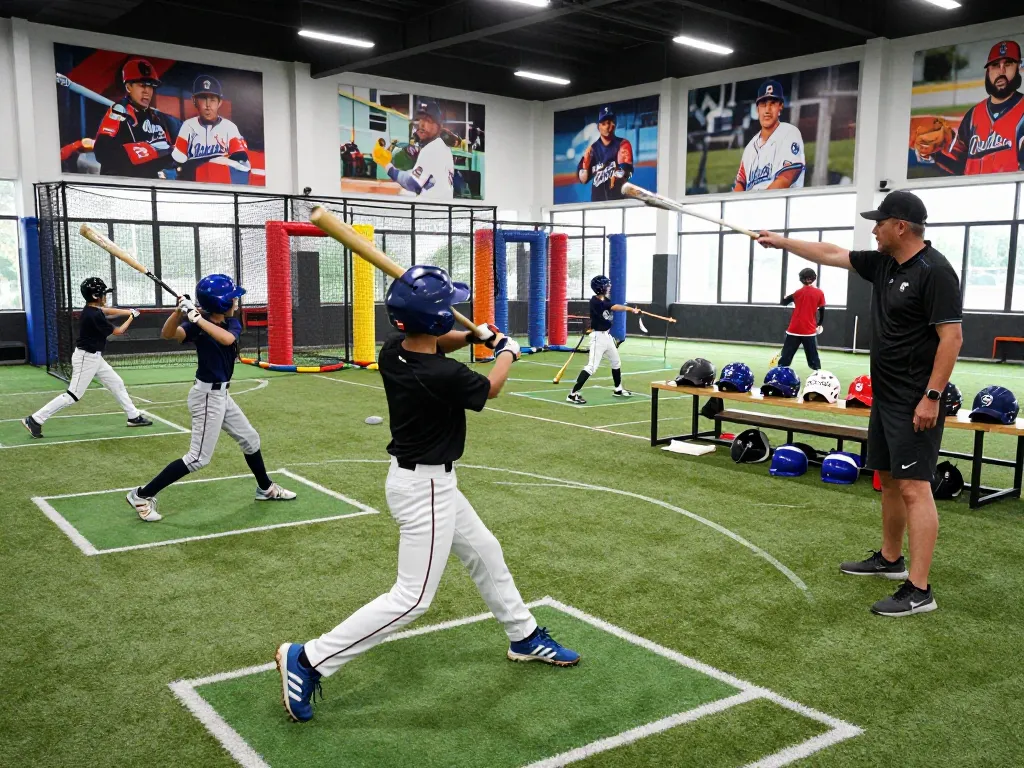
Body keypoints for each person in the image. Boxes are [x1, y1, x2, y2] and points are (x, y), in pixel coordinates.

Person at [276, 265, 579, 723]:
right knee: (412, 598)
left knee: (485, 551)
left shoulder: (394, 350)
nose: (453, 316)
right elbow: (491, 388)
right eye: (448, 311)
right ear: (435, 319)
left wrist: (475, 336)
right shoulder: (442, 374)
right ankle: (309, 658)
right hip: (426, 489)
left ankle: (523, 635)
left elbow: (438, 342)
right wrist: (506, 351)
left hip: (424, 482)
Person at [757, 190, 963, 617]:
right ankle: (890, 559)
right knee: (888, 477)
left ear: (900, 226)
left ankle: (920, 589)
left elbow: (952, 338)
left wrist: (931, 397)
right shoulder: (885, 263)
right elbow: (831, 252)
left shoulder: (936, 272)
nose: (874, 231)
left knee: (914, 487)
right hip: (885, 395)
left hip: (915, 398)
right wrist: (781, 241)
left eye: (879, 223)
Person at [125, 274, 295, 522]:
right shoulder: (197, 325)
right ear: (221, 303)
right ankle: (142, 495)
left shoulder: (230, 324)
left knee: (250, 439)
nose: (236, 302)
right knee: (198, 458)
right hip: (206, 397)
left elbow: (227, 339)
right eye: (232, 299)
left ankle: (265, 488)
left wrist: (197, 319)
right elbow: (168, 334)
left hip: (222, 395)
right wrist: (179, 312)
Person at [23, 277, 151, 438]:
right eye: (103, 294)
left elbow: (106, 310)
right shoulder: (94, 316)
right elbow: (118, 331)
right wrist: (132, 317)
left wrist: (128, 311)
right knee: (73, 395)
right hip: (86, 359)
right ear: (96, 296)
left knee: (116, 382)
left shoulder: (91, 309)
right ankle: (35, 419)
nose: (105, 296)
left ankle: (133, 416)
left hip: (94, 358)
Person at [916, 41, 1024, 175]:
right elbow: (961, 166)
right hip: (974, 188)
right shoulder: (973, 115)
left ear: (1018, 67)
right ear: (988, 71)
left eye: (1008, 64)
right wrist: (935, 155)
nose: (1001, 71)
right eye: (995, 65)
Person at [93, 58, 179, 178]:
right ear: (129, 87)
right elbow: (102, 151)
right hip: (126, 184)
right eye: (142, 85)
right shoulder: (119, 111)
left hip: (155, 185)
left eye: (150, 86)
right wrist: (150, 150)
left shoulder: (158, 118)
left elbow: (176, 152)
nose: (147, 92)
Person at [566, 275, 641, 405]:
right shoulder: (595, 302)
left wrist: (631, 309)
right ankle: (572, 394)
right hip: (598, 338)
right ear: (600, 288)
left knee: (616, 362)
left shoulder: (604, 299)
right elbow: (613, 307)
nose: (609, 287)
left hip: (607, 336)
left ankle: (618, 389)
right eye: (606, 285)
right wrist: (630, 309)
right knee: (591, 367)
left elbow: (610, 305)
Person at [169, 75, 252, 184]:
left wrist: (213, 162)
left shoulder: (229, 127)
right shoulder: (188, 126)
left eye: (212, 100)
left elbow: (241, 161)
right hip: (195, 184)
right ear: (194, 101)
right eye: (203, 99)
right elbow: (178, 161)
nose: (208, 105)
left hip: (222, 184)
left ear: (219, 102)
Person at [372, 100, 455, 200]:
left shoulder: (431, 149)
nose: (422, 125)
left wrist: (387, 165)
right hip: (443, 204)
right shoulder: (443, 147)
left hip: (432, 207)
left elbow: (411, 183)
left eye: (428, 121)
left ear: (438, 126)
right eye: (420, 120)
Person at [733, 80, 805, 192]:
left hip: (782, 202)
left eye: (773, 103)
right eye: (763, 104)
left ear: (780, 106)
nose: (767, 110)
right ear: (757, 109)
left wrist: (757, 201)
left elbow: (785, 179)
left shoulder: (789, 133)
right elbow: (740, 184)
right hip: (752, 202)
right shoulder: (750, 148)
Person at [577, 106, 634, 202]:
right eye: (604, 123)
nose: (608, 126)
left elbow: (626, 172)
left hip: (618, 202)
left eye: (610, 122)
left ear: (615, 124)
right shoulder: (592, 150)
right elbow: (583, 179)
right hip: (597, 204)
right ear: (598, 127)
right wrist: (585, 165)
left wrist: (619, 175)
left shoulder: (623, 144)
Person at [778, 267, 825, 370]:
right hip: (809, 331)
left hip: (794, 330)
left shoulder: (797, 293)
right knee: (813, 358)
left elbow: (783, 302)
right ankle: (818, 375)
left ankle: (779, 373)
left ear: (801, 279)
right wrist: (819, 324)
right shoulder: (819, 293)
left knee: (785, 358)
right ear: (814, 278)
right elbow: (822, 310)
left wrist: (785, 297)